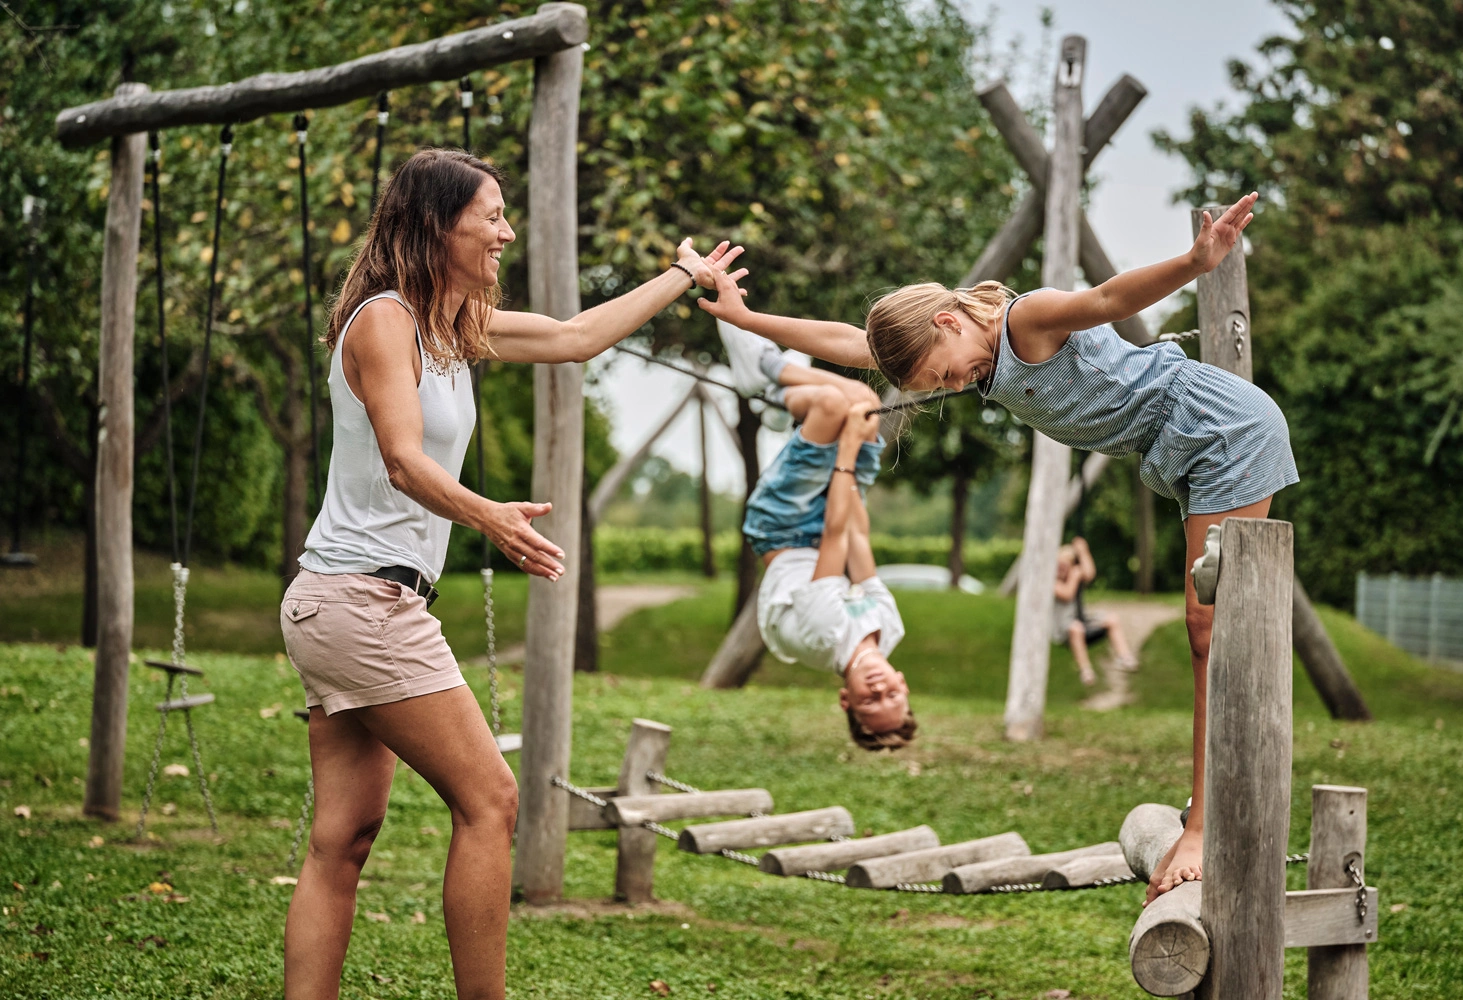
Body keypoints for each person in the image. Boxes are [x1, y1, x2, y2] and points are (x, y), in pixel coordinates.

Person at [698, 193, 1292, 902]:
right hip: (1178, 449)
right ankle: (1211, 804)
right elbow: (850, 342)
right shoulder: (952, 342)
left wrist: (1195, 264)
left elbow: (1108, 296)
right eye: (943, 387)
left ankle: (1204, 820)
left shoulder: (1027, 319)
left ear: (948, 321)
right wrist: (743, 319)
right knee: (1213, 626)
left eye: (946, 374)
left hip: (1218, 429)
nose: (958, 385)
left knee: (1206, 627)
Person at [278, 148, 745, 1000]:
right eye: (489, 216)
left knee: (342, 836)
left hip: (341, 601)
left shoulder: (452, 325)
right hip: (360, 600)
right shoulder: (384, 319)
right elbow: (402, 459)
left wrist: (680, 275)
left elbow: (573, 338)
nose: (505, 231)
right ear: (434, 224)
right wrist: (487, 514)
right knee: (491, 798)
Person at [719, 319, 916, 750]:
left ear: (846, 699)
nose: (880, 686)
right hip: (833, 518)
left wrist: (847, 450)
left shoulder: (825, 636)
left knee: (831, 405)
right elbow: (858, 542)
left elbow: (835, 538)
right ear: (903, 684)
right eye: (892, 694)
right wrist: (857, 465)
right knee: (863, 402)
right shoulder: (890, 629)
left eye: (870, 699)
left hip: (782, 527)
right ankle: (781, 400)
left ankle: (768, 371)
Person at [1052, 536, 1138, 685]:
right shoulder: (1052, 583)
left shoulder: (1074, 576)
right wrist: (1075, 576)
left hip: (1082, 620)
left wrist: (1083, 551)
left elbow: (1090, 573)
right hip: (1063, 629)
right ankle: (1086, 670)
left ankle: (1124, 657)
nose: (1062, 570)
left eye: (1065, 567)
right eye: (1059, 566)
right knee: (1076, 628)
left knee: (1111, 619)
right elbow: (1066, 595)